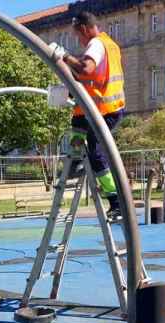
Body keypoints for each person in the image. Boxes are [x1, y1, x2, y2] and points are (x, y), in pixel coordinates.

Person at [58, 11, 126, 220]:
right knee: (77, 122)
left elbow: (87, 70)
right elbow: (93, 78)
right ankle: (76, 159)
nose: (78, 40)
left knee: (96, 153)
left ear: (84, 29)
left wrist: (64, 56)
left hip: (104, 110)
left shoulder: (96, 44)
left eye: (78, 35)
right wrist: (69, 90)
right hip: (95, 108)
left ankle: (116, 202)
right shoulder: (110, 45)